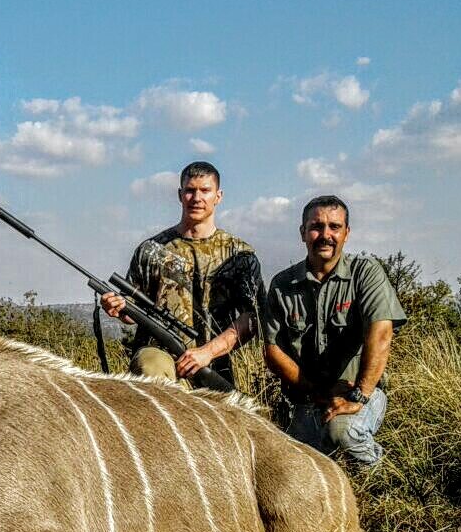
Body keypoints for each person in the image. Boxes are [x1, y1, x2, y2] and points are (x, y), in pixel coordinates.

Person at [263, 195, 406, 467]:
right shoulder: (282, 284)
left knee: (341, 433)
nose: (325, 235)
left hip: (357, 394)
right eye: (316, 226)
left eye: (334, 227)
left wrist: (360, 395)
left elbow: (382, 332)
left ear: (346, 233)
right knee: (290, 461)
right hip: (308, 399)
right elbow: (272, 350)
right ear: (303, 232)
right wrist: (314, 390)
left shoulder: (365, 272)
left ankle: (378, 475)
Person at [101, 161, 263, 388]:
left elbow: (253, 318)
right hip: (161, 357)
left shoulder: (239, 254)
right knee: (151, 365)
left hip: (213, 363)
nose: (197, 197)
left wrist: (207, 352)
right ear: (180, 195)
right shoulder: (151, 249)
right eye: (190, 190)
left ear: (218, 196)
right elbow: (132, 312)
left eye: (205, 190)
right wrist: (117, 309)